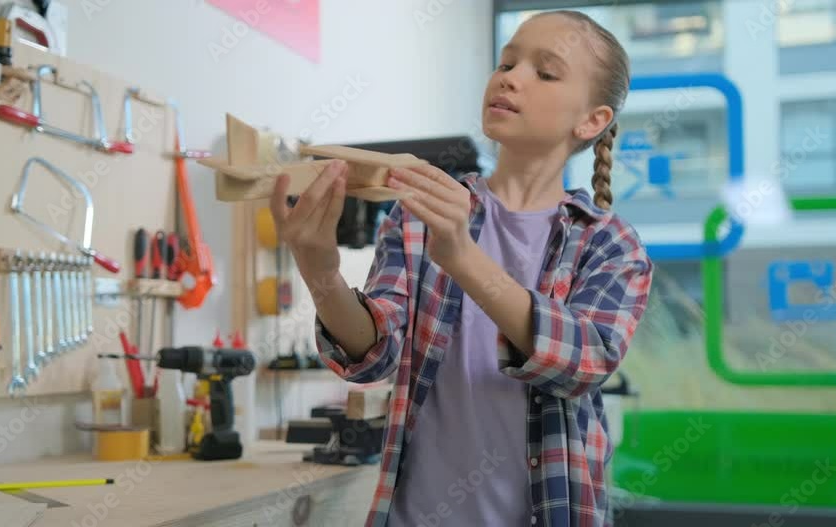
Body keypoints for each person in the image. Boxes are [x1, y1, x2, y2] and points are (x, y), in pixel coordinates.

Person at [269, 9, 655, 527]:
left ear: (592, 120)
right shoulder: (421, 212)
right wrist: (320, 271)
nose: (509, 77)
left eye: (544, 72)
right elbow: (374, 355)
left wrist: (463, 258)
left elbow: (584, 362)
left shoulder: (610, 243)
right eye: (506, 62)